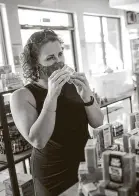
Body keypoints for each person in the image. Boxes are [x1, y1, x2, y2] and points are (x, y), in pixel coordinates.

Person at [10, 29, 104, 196]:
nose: (59, 62)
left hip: (86, 162)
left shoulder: (72, 84)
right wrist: (52, 95)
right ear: (35, 64)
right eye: (50, 58)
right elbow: (38, 140)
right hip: (52, 173)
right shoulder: (21, 96)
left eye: (60, 54)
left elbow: (97, 122)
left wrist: (87, 95)